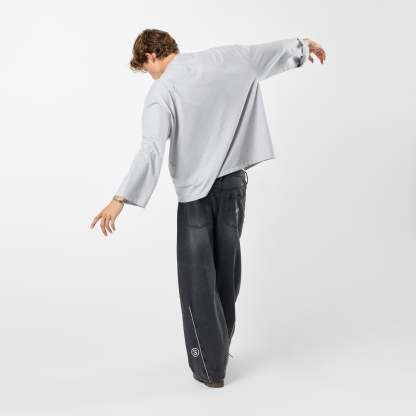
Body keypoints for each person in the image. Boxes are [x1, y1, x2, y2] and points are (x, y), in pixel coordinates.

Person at [90, 28, 326, 388]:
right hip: (233, 189)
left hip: (196, 198)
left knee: (198, 282)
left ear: (151, 56)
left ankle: (210, 370)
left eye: (146, 68)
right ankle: (221, 350)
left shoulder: (162, 91)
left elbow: (151, 149)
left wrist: (119, 198)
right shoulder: (229, 59)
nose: (149, 75)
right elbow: (270, 53)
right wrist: (303, 47)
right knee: (226, 275)